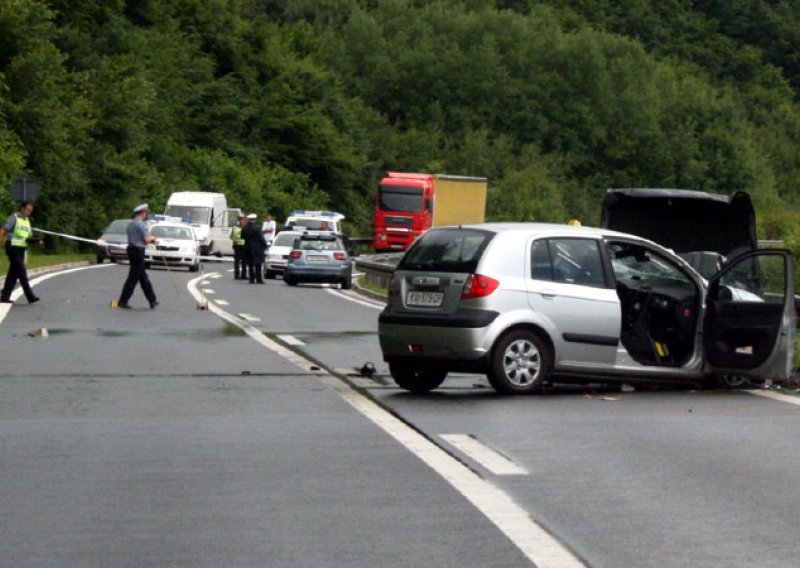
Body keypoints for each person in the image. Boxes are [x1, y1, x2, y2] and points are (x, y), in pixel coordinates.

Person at [117, 203, 158, 309]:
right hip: (138, 251)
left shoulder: (131, 224)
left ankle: (152, 300)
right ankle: (123, 300)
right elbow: (146, 239)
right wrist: (153, 239)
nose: (146, 215)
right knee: (133, 278)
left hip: (132, 250)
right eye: (146, 213)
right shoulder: (140, 224)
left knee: (143, 277)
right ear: (143, 213)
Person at [0, 201, 41, 304]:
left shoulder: (27, 221)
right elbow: (3, 230)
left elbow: (28, 237)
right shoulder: (14, 217)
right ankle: (30, 296)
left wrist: (36, 241)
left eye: (30, 211)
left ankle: (5, 296)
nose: (29, 212)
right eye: (27, 210)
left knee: (13, 274)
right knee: (22, 272)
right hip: (12, 247)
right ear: (22, 208)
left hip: (21, 249)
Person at [242, 213, 266, 284]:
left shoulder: (244, 228)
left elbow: (242, 237)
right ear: (254, 220)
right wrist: (265, 245)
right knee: (258, 264)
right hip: (257, 249)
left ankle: (251, 279)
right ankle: (259, 279)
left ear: (248, 220)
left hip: (247, 248)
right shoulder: (257, 228)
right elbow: (261, 238)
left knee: (250, 264)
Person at [231, 213, 248, 280]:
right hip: (237, 246)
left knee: (244, 261)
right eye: (240, 219)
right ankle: (236, 275)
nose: (242, 221)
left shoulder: (246, 227)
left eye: (242, 219)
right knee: (237, 261)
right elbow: (231, 236)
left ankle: (243, 275)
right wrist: (234, 240)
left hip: (244, 246)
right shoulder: (235, 227)